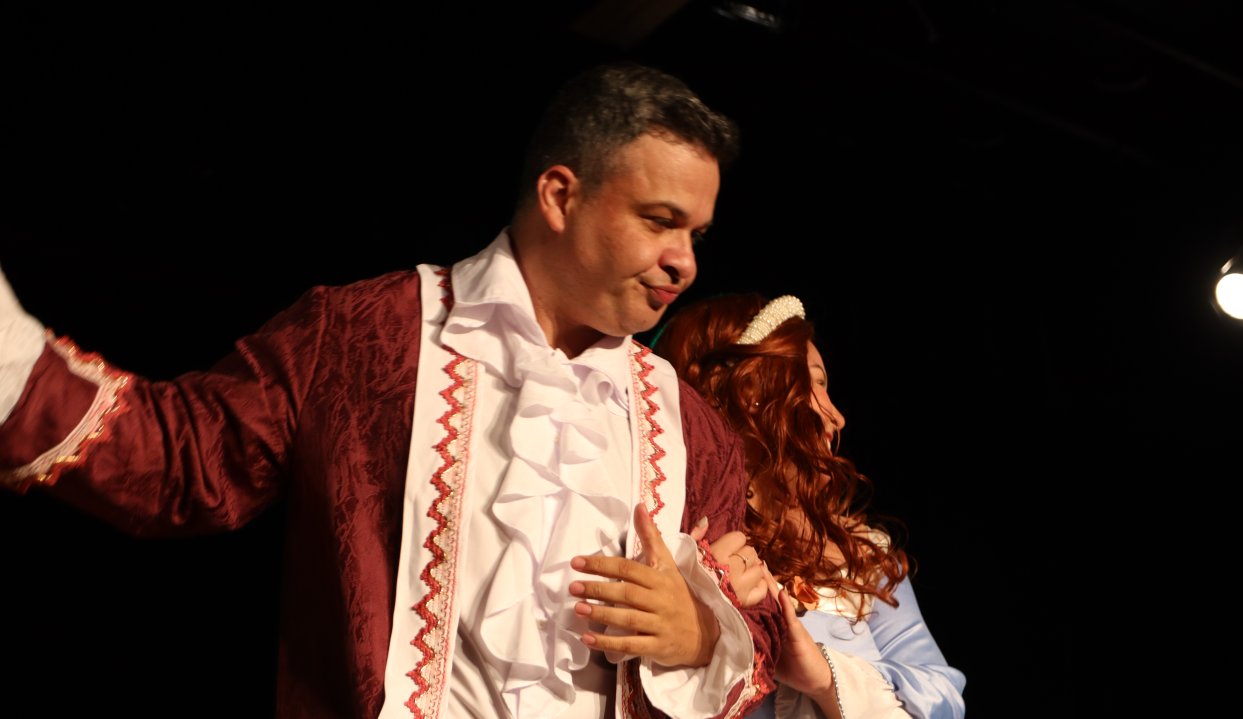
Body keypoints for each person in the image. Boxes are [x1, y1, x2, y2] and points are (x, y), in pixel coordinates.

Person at [0, 62, 784, 719]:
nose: (685, 262)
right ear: (559, 195)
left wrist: (700, 637)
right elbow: (178, 459)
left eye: (695, 234)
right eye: (659, 220)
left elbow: (756, 631)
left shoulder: (692, 431)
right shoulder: (361, 336)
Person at [652, 292, 966, 718]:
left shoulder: (863, 555)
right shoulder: (681, 549)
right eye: (816, 383)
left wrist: (825, 676)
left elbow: (944, 698)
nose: (837, 417)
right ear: (751, 389)